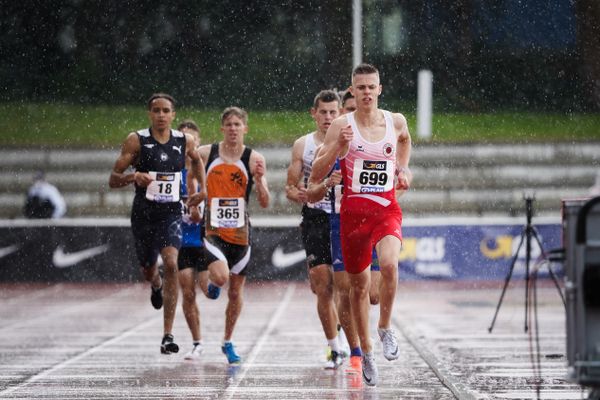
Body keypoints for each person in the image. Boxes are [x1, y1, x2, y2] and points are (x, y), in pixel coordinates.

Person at [311, 64, 413, 386]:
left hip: (386, 210)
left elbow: (405, 140)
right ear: (352, 91)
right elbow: (316, 172)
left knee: (389, 266)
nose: (366, 92)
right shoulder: (342, 124)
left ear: (380, 89)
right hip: (353, 216)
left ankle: (384, 327)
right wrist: (338, 149)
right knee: (357, 289)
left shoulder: (395, 121)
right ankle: (365, 350)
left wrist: (403, 170)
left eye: (372, 87)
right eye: (361, 88)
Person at [108, 93, 206, 355]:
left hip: (170, 214)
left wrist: (203, 189)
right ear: (149, 114)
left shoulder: (184, 140)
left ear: (173, 115)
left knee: (172, 263)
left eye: (166, 111)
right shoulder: (136, 140)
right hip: (143, 214)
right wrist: (133, 177)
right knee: (149, 269)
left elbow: (196, 161)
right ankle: (156, 285)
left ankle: (167, 335)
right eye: (156, 111)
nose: (161, 115)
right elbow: (113, 178)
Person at [306, 89, 382, 374]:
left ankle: (364, 336)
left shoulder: (378, 136)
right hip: (341, 224)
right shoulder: (332, 146)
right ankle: (357, 351)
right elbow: (310, 192)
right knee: (345, 289)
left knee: (373, 295)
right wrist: (328, 183)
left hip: (373, 222)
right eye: (346, 110)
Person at [198, 107, 270, 364]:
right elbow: (188, 175)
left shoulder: (253, 159)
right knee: (221, 276)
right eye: (228, 124)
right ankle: (210, 279)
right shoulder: (206, 154)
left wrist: (260, 181)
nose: (232, 129)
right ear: (222, 128)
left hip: (241, 234)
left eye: (237, 124)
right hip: (213, 229)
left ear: (245, 129)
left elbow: (264, 202)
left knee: (236, 293)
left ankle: (227, 341)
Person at [286, 90, 345, 369]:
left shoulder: (350, 141)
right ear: (314, 113)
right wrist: (295, 193)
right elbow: (289, 186)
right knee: (322, 285)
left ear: (341, 113)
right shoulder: (303, 145)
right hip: (316, 218)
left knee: (346, 287)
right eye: (323, 112)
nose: (328, 118)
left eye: (333, 112)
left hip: (345, 218)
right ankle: (335, 349)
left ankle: (346, 335)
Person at [176, 119, 211, 360]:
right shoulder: (172, 173)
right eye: (182, 140)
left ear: (197, 144)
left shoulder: (208, 171)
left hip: (206, 239)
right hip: (182, 241)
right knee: (187, 293)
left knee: (208, 290)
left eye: (191, 140)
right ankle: (197, 342)